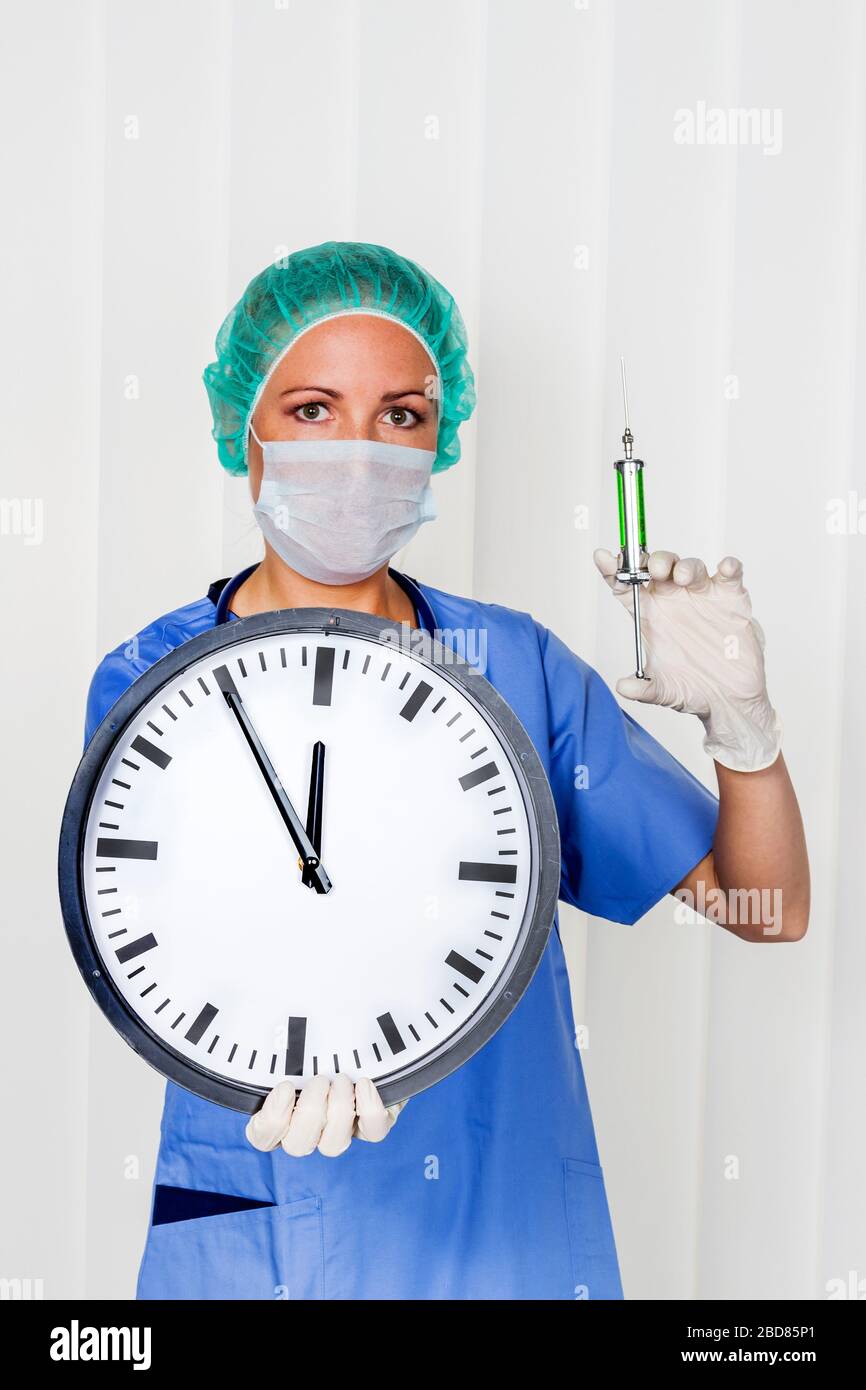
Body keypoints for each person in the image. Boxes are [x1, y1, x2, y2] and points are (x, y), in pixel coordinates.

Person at [84, 241, 809, 1301]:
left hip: (498, 1234)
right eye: (312, 409)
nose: (358, 449)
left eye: (400, 416)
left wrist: (743, 731)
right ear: (245, 431)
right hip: (263, 1211)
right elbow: (144, 933)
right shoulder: (152, 678)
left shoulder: (512, 667)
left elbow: (765, 907)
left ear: (438, 442)